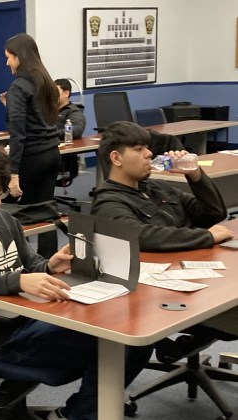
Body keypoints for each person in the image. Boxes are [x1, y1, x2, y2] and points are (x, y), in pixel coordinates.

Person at [0, 140, 153, 420]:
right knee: (116, 340)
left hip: (31, 317)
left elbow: (29, 263)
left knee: (131, 333)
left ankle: (74, 414)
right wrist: (19, 280)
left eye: (0, 193)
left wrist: (48, 265)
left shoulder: (4, 220)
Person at [91, 121, 238, 356]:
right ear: (117, 158)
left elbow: (214, 214)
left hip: (192, 276)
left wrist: (195, 175)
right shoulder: (108, 203)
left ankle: (188, 344)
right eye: (138, 149)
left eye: (147, 148)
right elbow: (145, 236)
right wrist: (206, 236)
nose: (149, 154)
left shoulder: (158, 188)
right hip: (159, 295)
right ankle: (193, 339)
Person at [3, 33, 61, 257]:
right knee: (47, 209)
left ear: (20, 57)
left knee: (12, 212)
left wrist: (13, 171)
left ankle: (16, 261)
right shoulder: (45, 81)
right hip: (51, 154)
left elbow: (18, 131)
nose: (7, 63)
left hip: (31, 158)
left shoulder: (18, 86)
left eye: (9, 57)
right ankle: (49, 261)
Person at [55, 78, 86, 188]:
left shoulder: (73, 111)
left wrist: (51, 133)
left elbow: (77, 130)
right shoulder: (48, 110)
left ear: (66, 93)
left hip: (62, 156)